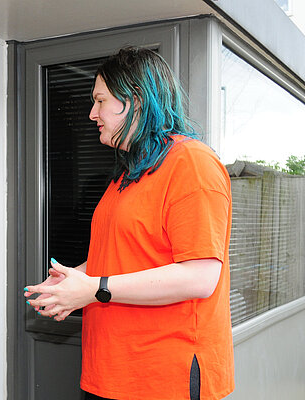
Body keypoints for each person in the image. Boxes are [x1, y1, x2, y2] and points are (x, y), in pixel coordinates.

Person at [25, 47, 234, 400]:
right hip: (108, 372)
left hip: (163, 378)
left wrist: (95, 288)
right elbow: (122, 256)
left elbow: (200, 277)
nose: (93, 114)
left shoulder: (191, 163)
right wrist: (75, 283)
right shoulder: (126, 175)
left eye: (100, 101)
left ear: (135, 100)